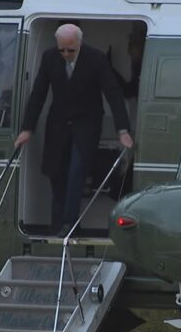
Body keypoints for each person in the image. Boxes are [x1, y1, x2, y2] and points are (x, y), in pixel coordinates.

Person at [15, 23, 133, 237]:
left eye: (71, 50)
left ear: (80, 43)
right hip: (58, 124)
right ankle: (60, 224)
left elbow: (113, 94)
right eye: (62, 50)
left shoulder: (96, 59)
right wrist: (27, 129)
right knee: (56, 172)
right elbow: (38, 94)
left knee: (77, 172)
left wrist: (122, 130)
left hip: (86, 123)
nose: (66, 54)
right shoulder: (50, 58)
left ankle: (69, 224)